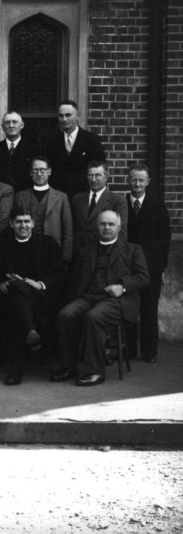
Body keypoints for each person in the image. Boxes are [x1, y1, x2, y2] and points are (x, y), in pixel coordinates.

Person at [53, 211, 148, 387]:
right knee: (65, 315)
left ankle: (94, 371)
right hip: (88, 297)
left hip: (117, 301)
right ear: (97, 226)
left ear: (119, 227)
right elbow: (75, 279)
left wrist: (123, 286)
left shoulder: (133, 249)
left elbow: (143, 277)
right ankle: (69, 366)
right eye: (103, 224)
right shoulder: (86, 250)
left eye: (111, 224)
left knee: (94, 317)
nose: (106, 227)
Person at [0, 207, 67, 385]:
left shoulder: (47, 243)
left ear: (33, 223)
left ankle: (15, 370)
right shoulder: (3, 245)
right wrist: (0, 283)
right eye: (19, 221)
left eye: (27, 221)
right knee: (17, 292)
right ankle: (34, 334)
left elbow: (61, 273)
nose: (23, 225)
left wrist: (39, 284)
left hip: (43, 296)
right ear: (11, 224)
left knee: (19, 298)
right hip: (11, 298)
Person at [125, 163, 171, 363]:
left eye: (141, 180)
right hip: (128, 266)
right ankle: (129, 350)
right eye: (134, 179)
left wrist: (162, 268)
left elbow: (165, 238)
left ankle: (149, 352)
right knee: (129, 309)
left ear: (148, 182)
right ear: (129, 180)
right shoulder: (122, 203)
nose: (137, 184)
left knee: (149, 309)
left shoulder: (157, 205)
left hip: (152, 266)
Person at [14, 156, 74, 262]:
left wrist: (65, 258)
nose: (39, 173)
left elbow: (68, 230)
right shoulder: (20, 196)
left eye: (43, 170)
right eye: (35, 170)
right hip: (25, 253)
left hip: (53, 253)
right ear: (30, 173)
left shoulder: (61, 197)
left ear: (49, 172)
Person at [44, 100, 106, 198]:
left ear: (77, 116)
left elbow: (100, 167)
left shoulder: (91, 140)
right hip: (58, 196)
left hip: (83, 195)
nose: (64, 119)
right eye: (61, 116)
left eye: (68, 115)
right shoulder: (52, 142)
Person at [70, 161, 129, 256]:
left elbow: (121, 232)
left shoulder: (118, 201)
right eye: (90, 175)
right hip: (79, 254)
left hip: (103, 254)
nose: (93, 179)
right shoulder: (77, 199)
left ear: (106, 177)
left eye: (98, 175)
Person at [0, 111, 42, 193]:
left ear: (22, 125)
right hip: (0, 197)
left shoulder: (34, 149)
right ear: (2, 127)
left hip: (25, 196)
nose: (11, 125)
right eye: (7, 123)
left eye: (15, 122)